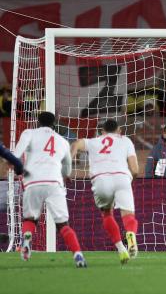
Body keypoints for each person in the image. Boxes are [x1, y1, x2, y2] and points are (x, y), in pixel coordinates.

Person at [12, 112, 86, 268]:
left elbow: (16, 155)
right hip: (54, 182)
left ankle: (27, 239)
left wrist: (17, 170)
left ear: (38, 122)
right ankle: (78, 255)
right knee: (63, 224)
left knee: (30, 219)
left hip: (32, 181)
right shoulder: (63, 141)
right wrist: (64, 175)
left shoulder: (29, 133)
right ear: (54, 123)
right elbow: (67, 170)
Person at [71, 119, 139, 265]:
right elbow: (135, 169)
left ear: (101, 132)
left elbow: (76, 144)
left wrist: (70, 158)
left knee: (107, 214)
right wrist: (129, 180)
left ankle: (121, 249)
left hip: (101, 179)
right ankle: (131, 235)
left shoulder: (93, 141)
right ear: (119, 130)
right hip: (122, 177)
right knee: (128, 215)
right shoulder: (126, 141)